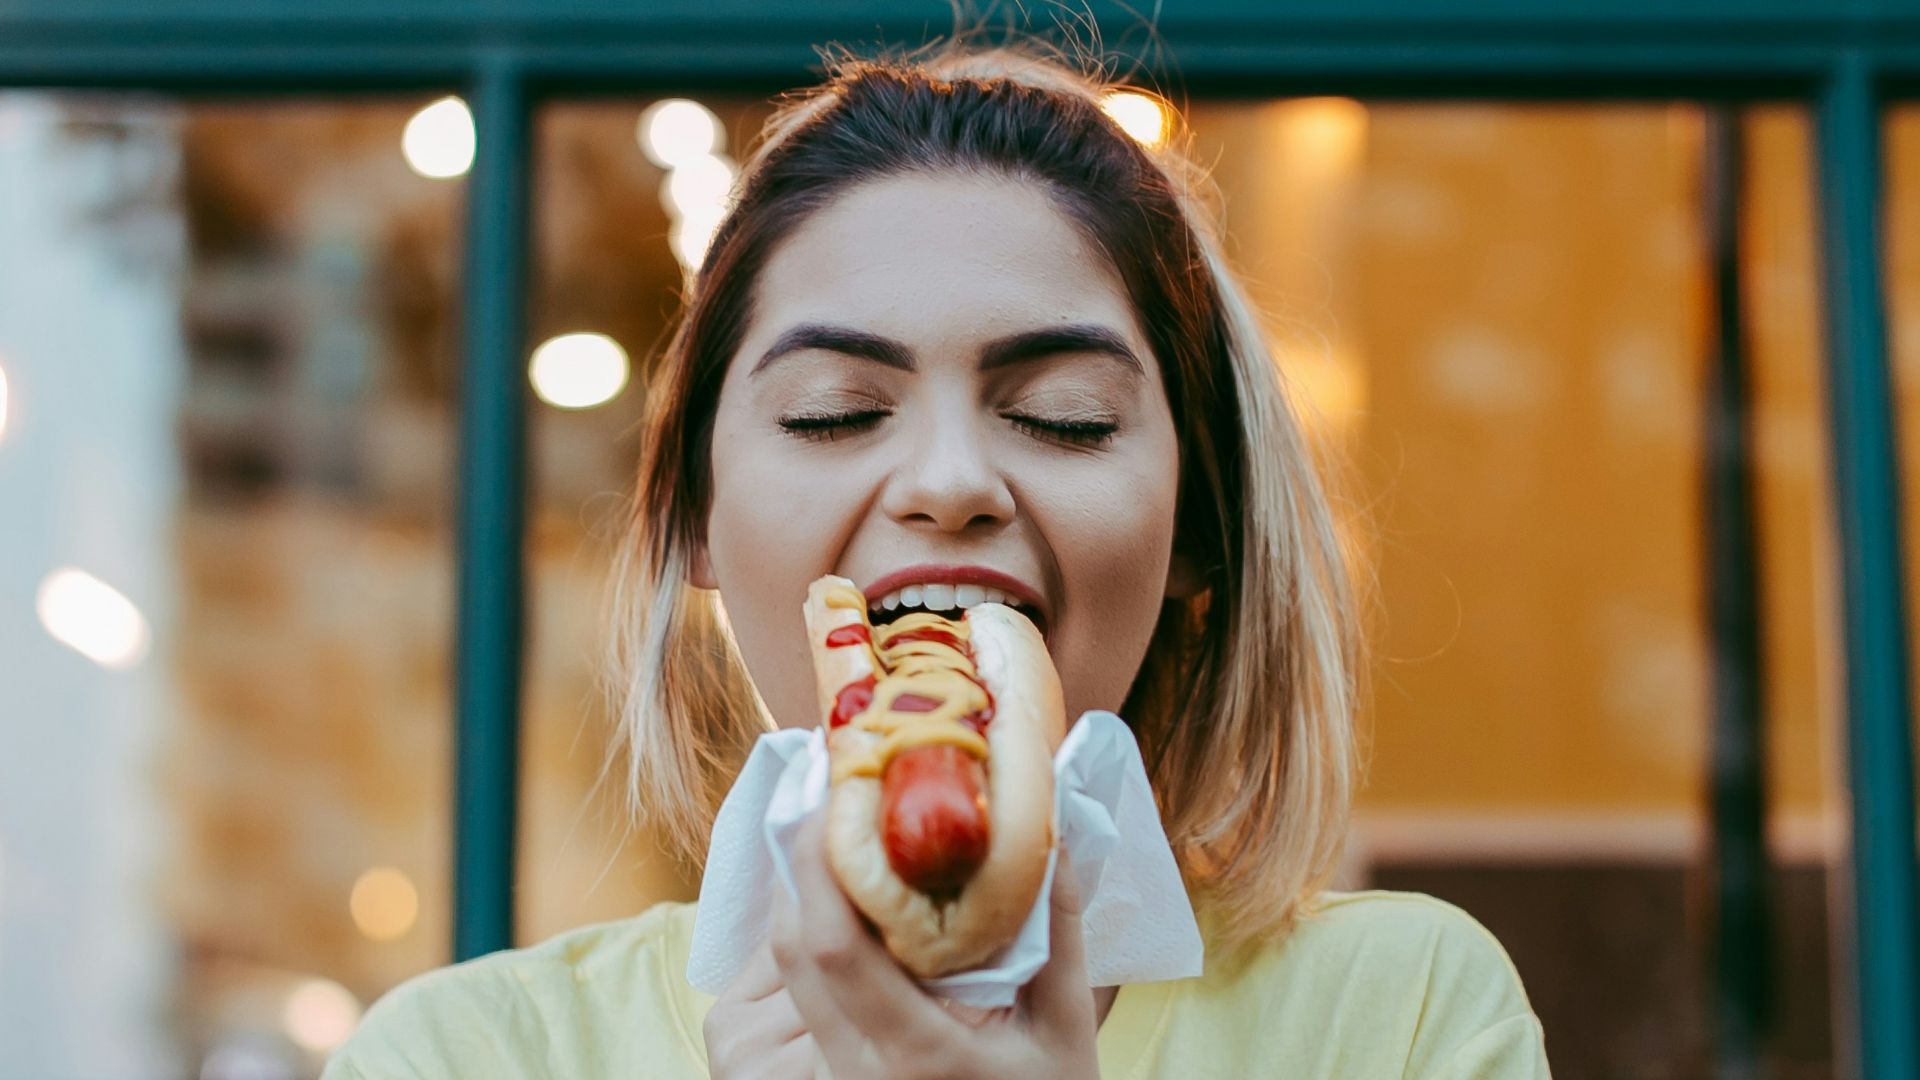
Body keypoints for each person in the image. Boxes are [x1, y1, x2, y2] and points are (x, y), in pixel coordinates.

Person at [324, 32, 1551, 1080]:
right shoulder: (463, 1054)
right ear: (696, 514)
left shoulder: (1400, 1016)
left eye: (1064, 414)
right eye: (833, 414)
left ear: (1201, 528)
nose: (950, 482)